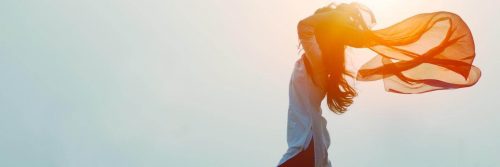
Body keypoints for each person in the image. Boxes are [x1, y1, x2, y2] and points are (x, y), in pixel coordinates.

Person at [278, 2, 480, 167]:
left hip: (305, 147)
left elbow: (304, 26)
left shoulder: (318, 61)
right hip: (312, 149)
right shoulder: (320, 63)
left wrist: (335, 18)